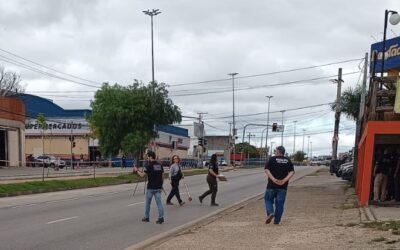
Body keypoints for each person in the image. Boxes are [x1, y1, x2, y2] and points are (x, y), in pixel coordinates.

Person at [264, 146, 295, 225]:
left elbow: (266, 169)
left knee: (268, 199)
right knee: (280, 204)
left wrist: (273, 179)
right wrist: (285, 180)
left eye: (275, 151)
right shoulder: (288, 160)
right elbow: (292, 172)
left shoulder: (272, 159)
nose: (275, 152)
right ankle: (276, 221)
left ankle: (270, 212)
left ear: (278, 151)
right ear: (283, 152)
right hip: (283, 186)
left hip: (271, 185)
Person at [133, 151, 165, 224]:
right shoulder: (160, 165)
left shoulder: (149, 166)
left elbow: (142, 175)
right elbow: (162, 177)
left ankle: (146, 217)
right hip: (158, 187)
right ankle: (161, 218)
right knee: (159, 203)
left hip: (151, 188)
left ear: (150, 157)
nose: (147, 158)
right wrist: (161, 184)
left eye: (147, 156)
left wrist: (136, 170)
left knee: (148, 203)